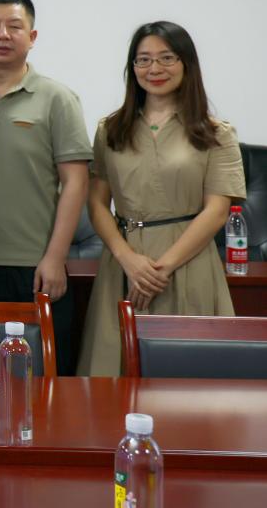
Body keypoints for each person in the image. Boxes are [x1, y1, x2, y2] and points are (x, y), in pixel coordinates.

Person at [78, 21, 244, 376]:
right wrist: (128, 260)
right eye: (143, 59)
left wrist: (161, 269)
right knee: (112, 373)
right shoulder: (111, 129)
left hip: (188, 261)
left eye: (166, 58)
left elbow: (217, 212)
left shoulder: (216, 133)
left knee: (190, 377)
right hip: (123, 264)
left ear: (186, 64)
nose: (154, 69)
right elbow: (96, 203)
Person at [0, 0, 91, 375]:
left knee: (43, 380)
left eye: (14, 26)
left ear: (32, 36)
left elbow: (76, 183)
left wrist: (56, 258)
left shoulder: (57, 99)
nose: (3, 35)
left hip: (34, 267)